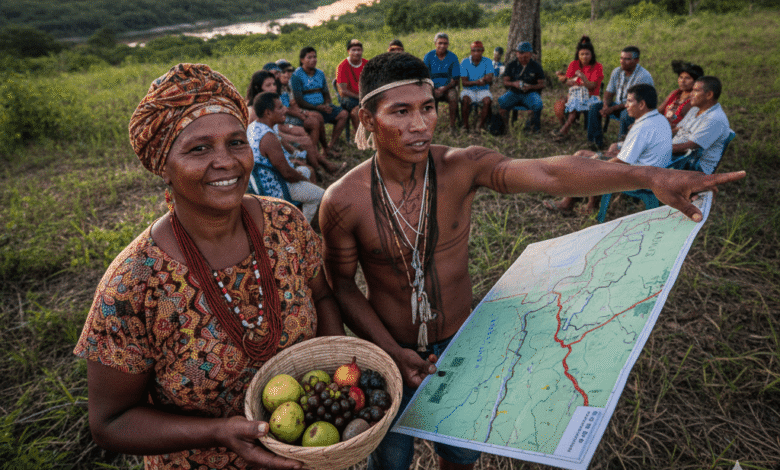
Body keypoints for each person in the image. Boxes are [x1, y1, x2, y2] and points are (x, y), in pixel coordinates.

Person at [320, 52, 744, 470]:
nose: (419, 124)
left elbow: (550, 173)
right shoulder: (343, 201)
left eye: (427, 108)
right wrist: (391, 351)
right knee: (391, 459)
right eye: (400, 112)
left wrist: (649, 176)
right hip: (388, 356)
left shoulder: (460, 167)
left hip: (462, 345)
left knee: (461, 452)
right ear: (366, 118)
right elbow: (341, 285)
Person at [74, 63, 344, 470]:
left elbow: (322, 295)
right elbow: (111, 422)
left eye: (236, 142)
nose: (226, 162)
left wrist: (332, 380)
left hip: (310, 450)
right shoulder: (133, 283)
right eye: (199, 149)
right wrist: (217, 432)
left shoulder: (285, 224)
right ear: (163, 165)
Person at [547, 83, 672, 214]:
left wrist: (597, 165)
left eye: (629, 101)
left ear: (641, 105)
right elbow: (640, 148)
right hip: (651, 169)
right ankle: (579, 201)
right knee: (582, 154)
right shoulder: (659, 119)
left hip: (641, 175)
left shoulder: (643, 127)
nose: (626, 105)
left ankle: (576, 204)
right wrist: (616, 150)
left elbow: (622, 161)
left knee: (592, 162)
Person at [249, 91, 326, 223]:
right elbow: (287, 174)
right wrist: (303, 181)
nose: (285, 110)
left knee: (307, 171)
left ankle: (302, 215)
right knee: (322, 196)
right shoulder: (268, 138)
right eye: (280, 107)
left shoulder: (253, 127)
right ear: (268, 113)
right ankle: (302, 228)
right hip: (277, 189)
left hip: (262, 184)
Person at [246, 70, 342, 175]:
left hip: (276, 133)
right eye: (268, 85)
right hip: (269, 145)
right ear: (257, 87)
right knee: (305, 140)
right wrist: (293, 137)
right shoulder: (256, 110)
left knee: (304, 133)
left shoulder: (267, 100)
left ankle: (320, 167)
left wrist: (296, 122)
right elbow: (270, 135)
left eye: (274, 84)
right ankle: (318, 169)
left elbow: (276, 126)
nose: (273, 87)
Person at [586, 46, 653, 149]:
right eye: (621, 58)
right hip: (619, 105)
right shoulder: (617, 71)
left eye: (627, 59)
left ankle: (620, 146)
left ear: (636, 60)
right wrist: (605, 106)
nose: (622, 61)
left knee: (625, 114)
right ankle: (595, 142)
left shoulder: (643, 76)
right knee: (594, 107)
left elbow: (634, 102)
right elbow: (609, 92)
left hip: (637, 108)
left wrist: (612, 109)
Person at [290, 46, 348, 155]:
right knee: (318, 117)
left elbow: (325, 92)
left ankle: (330, 146)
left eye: (314, 57)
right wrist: (317, 108)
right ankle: (322, 149)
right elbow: (299, 100)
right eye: (309, 57)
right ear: (302, 60)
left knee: (343, 114)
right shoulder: (296, 75)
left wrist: (327, 104)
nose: (313, 60)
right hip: (307, 109)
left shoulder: (320, 73)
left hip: (321, 106)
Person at [671, 76, 732, 174]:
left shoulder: (715, 118)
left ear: (709, 95)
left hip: (692, 166)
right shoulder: (695, 109)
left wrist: (661, 149)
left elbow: (689, 146)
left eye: (695, 91)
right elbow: (677, 129)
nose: (690, 94)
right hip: (678, 156)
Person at [552, 36, 603, 141]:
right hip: (574, 94)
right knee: (559, 105)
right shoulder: (574, 64)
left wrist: (582, 77)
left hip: (591, 96)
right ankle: (565, 125)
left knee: (576, 101)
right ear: (578, 55)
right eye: (582, 54)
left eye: (587, 54)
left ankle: (564, 130)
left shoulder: (597, 66)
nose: (584, 57)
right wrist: (564, 79)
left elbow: (592, 86)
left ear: (592, 55)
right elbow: (569, 81)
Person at [498, 41, 545, 133]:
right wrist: (514, 84)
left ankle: (533, 128)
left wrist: (530, 87)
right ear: (517, 54)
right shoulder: (511, 65)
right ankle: (504, 127)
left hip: (530, 93)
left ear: (530, 55)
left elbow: (542, 84)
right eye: (521, 54)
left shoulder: (536, 66)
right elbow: (505, 82)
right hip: (514, 92)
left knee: (538, 104)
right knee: (501, 102)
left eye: (526, 56)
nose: (523, 58)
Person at [423, 32, 460, 132]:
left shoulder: (453, 57)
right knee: (428, 98)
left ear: (448, 44)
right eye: (440, 43)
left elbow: (455, 79)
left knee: (453, 97)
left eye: (445, 43)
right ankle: (431, 126)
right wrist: (433, 89)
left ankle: (452, 126)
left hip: (448, 87)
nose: (442, 46)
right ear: (435, 43)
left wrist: (443, 89)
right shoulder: (428, 57)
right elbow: (425, 77)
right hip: (432, 87)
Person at [459, 40, 494, 132]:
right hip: (469, 89)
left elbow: (490, 78)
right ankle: (465, 126)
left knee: (487, 101)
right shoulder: (464, 62)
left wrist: (486, 79)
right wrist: (476, 82)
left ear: (483, 51)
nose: (476, 53)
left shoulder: (488, 61)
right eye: (474, 50)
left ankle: (481, 126)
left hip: (483, 89)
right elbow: (464, 82)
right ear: (471, 51)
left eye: (479, 50)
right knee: (465, 100)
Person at [336, 39, 368, 136]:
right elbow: (343, 91)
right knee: (355, 112)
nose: (357, 52)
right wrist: (360, 97)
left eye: (359, 50)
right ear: (348, 51)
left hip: (365, 96)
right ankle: (359, 137)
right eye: (353, 50)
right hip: (350, 98)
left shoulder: (367, 64)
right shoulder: (342, 66)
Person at [659, 60, 704, 127]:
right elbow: (660, 111)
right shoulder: (675, 93)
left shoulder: (694, 100)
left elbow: (685, 128)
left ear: (696, 81)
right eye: (681, 77)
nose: (682, 81)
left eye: (687, 78)